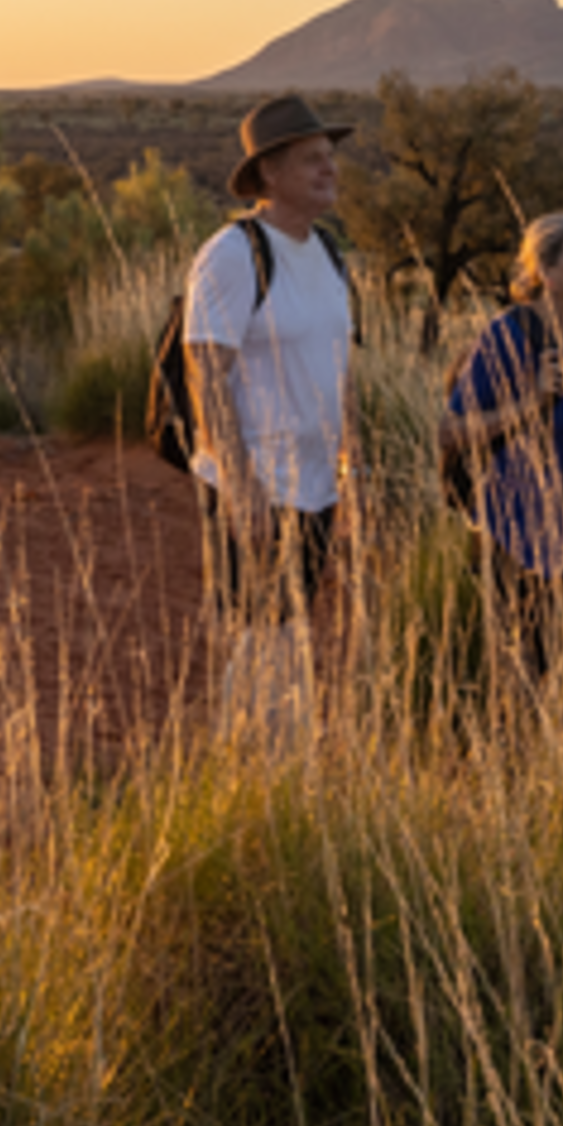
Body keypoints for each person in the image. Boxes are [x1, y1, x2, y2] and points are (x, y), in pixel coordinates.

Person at [180, 92, 358, 731]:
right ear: (269, 175)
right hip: (256, 485)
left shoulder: (330, 252)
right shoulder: (233, 253)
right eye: (312, 160)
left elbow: (343, 367)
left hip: (315, 485)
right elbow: (207, 370)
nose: (329, 170)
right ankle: (253, 768)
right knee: (261, 635)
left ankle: (283, 765)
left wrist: (351, 470)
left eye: (330, 158)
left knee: (291, 628)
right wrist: (243, 486)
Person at [440, 210, 563, 686]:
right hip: (520, 542)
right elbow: (449, 430)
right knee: (528, 682)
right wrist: (529, 405)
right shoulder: (509, 336)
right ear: (547, 274)